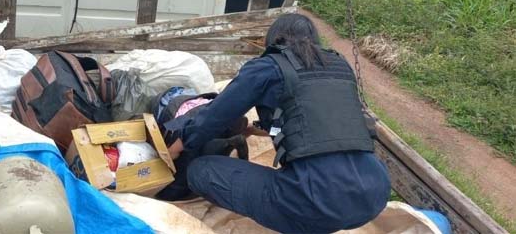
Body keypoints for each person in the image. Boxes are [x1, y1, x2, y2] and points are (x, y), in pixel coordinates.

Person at [165, 13, 391, 234]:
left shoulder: (268, 67)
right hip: (374, 195)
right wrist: (257, 129)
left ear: (274, 39)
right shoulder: (341, 67)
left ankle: (300, 219)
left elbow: (216, 115)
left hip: (317, 201)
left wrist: (182, 142)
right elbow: (319, 118)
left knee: (201, 171)